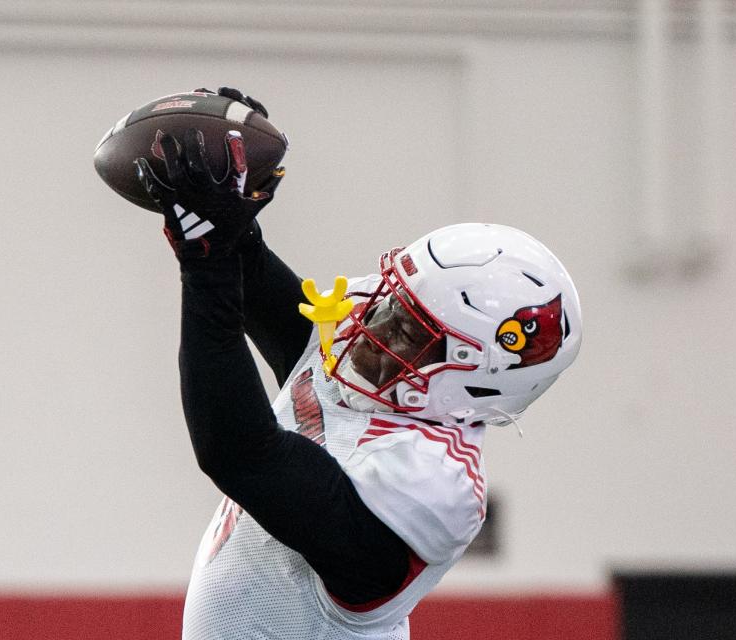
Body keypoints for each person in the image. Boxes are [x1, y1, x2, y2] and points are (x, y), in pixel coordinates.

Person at [134, 88, 582, 640]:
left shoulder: (429, 483)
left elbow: (239, 452)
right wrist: (226, 202)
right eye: (394, 301)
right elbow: (259, 293)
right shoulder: (378, 375)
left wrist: (206, 263)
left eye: (412, 327)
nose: (376, 324)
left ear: (476, 380)